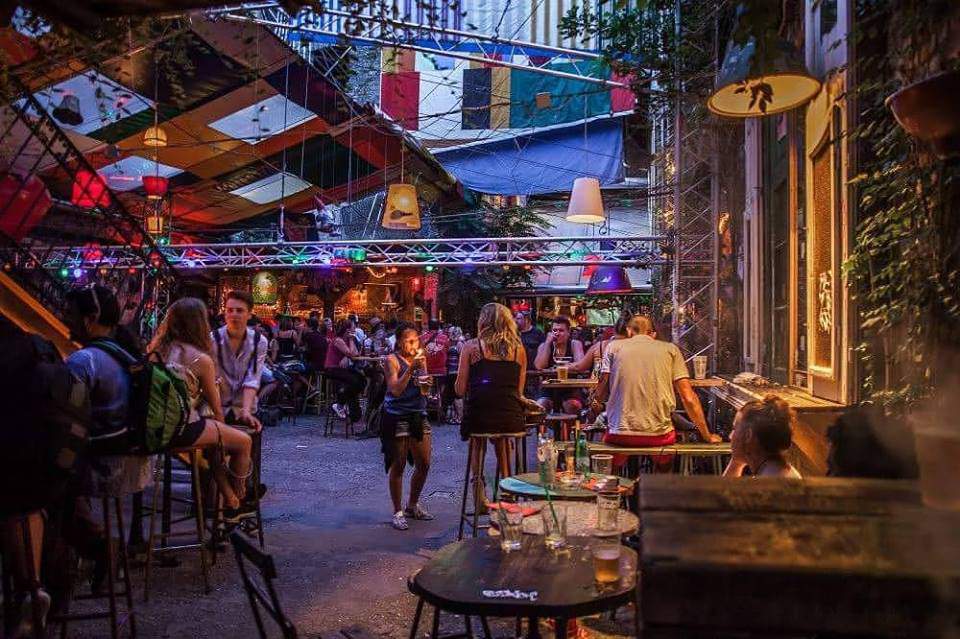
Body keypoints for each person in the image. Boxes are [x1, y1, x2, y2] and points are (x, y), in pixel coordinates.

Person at [147, 298, 254, 518]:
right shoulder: (201, 359)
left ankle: (231, 500)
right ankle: (241, 497)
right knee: (243, 441)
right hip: (180, 429)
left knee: (214, 443)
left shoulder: (155, 351)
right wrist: (223, 428)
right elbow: (217, 408)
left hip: (153, 429)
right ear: (200, 324)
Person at [591, 316, 720, 470]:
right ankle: (660, 479)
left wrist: (596, 402)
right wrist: (707, 435)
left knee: (611, 461)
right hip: (659, 436)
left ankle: (614, 480)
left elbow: (602, 385)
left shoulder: (613, 347)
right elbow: (688, 398)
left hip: (619, 435)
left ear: (629, 331)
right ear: (652, 334)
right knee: (666, 461)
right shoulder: (671, 349)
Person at [456, 303, 527, 508]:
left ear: (483, 321)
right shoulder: (519, 349)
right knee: (502, 436)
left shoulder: (471, 347)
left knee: (478, 438)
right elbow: (519, 392)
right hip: (510, 418)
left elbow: (459, 390)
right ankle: (507, 489)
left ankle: (479, 493)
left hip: (480, 416)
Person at [381, 324, 434, 530]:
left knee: (424, 463)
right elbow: (395, 389)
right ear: (399, 342)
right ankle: (397, 511)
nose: (414, 344)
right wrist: (410, 369)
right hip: (397, 415)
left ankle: (412, 504)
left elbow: (423, 387)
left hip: (418, 413)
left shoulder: (420, 359)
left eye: (416, 340)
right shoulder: (392, 360)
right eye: (409, 341)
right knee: (399, 464)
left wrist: (426, 382)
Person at [210, 291, 267, 431]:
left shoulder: (259, 341)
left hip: (245, 408)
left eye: (239, 311)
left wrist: (246, 411)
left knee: (250, 440)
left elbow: (253, 378)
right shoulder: (213, 339)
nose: (234, 314)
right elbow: (211, 379)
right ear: (225, 313)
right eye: (230, 310)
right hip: (216, 408)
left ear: (249, 314)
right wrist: (217, 412)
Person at [723, 396, 802, 478]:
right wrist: (736, 463)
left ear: (748, 435)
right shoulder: (775, 470)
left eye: (734, 428)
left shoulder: (766, 482)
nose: (730, 436)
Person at [534, 315, 585, 414]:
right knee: (540, 406)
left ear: (568, 332)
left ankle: (569, 424)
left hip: (570, 387)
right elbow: (539, 366)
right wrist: (547, 343)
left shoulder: (575, 344)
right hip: (548, 387)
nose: (557, 333)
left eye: (561, 330)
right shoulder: (544, 346)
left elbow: (581, 364)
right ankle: (544, 425)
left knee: (573, 405)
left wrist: (559, 367)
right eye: (554, 330)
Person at [324, 319, 367, 431]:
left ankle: (346, 405)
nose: (355, 329)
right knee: (355, 381)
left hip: (342, 368)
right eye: (353, 328)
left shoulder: (347, 340)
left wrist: (347, 355)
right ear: (347, 330)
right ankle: (340, 404)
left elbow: (355, 354)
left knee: (362, 379)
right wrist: (350, 345)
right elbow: (351, 354)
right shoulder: (338, 340)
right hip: (332, 368)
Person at [443, 326, 465, 424]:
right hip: (451, 372)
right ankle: (456, 416)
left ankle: (460, 417)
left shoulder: (459, 343)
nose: (450, 333)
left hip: (456, 372)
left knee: (457, 395)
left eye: (451, 332)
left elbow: (462, 358)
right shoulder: (452, 343)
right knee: (453, 394)